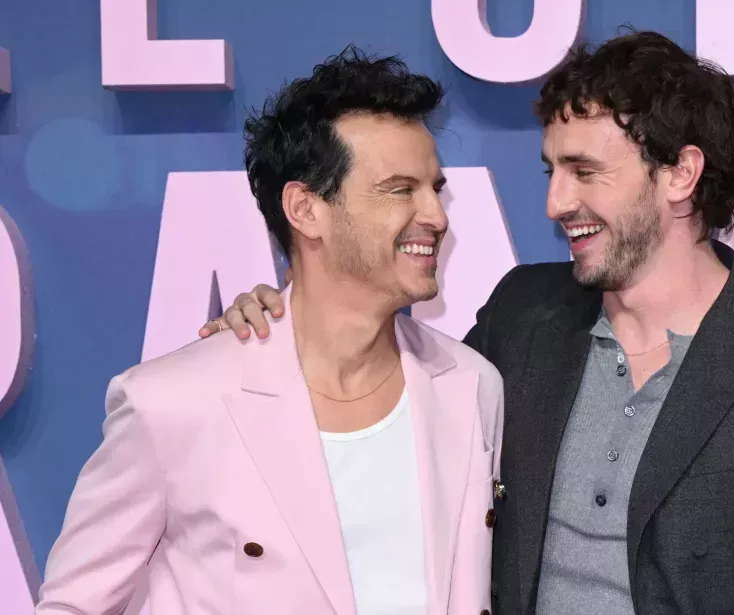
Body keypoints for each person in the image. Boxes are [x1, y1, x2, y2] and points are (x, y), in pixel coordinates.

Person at [202, 31, 734, 614]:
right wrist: (284, 320)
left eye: (584, 171)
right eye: (551, 172)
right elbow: (382, 395)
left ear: (680, 174)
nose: (555, 204)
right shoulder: (523, 317)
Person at [37, 48, 503, 615]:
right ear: (305, 210)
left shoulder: (470, 386)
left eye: (435, 188)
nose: (437, 215)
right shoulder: (174, 403)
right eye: (401, 189)